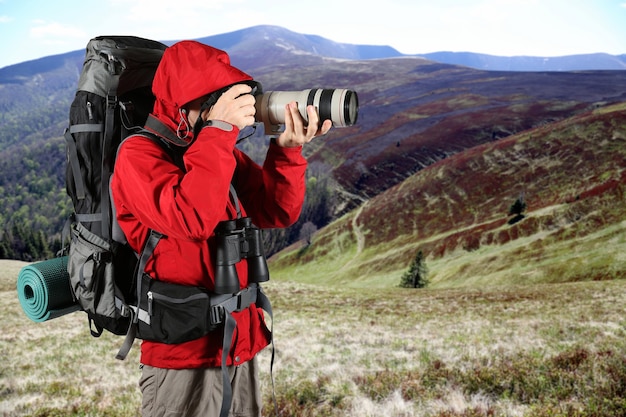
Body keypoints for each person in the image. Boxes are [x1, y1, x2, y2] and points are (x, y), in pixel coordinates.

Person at [110, 40, 332, 417]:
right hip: (183, 357)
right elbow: (190, 218)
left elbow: (275, 211)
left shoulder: (213, 149)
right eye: (213, 98)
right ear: (183, 103)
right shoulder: (138, 155)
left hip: (239, 345)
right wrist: (219, 130)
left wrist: (287, 150)